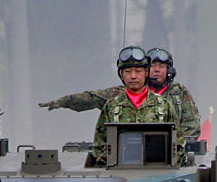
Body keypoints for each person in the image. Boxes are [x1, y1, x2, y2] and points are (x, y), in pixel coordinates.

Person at [39, 47, 201, 139]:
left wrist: (176, 148)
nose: (157, 70)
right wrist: (64, 101)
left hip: (167, 153)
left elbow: (191, 125)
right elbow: (93, 98)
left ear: (169, 70)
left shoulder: (178, 93)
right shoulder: (125, 93)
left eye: (162, 66)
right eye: (153, 66)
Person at [92, 46, 184, 166]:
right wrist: (110, 166)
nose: (133, 76)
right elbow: (99, 145)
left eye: (138, 71)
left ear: (146, 73)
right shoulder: (111, 107)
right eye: (128, 71)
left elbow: (178, 144)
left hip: (157, 171)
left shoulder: (164, 106)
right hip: (117, 172)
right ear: (121, 74)